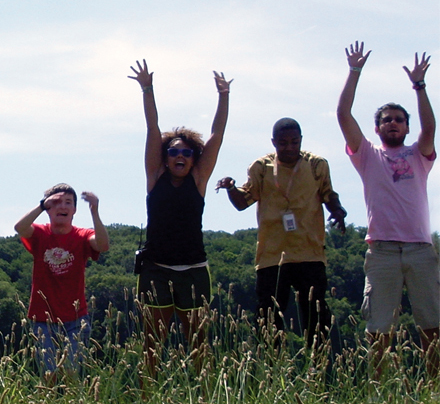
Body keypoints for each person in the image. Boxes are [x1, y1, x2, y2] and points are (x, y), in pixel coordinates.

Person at [336, 41, 439, 377]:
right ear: (377, 128)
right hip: (380, 250)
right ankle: (379, 390)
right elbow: (343, 115)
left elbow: (429, 128)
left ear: (406, 128)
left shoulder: (418, 155)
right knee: (379, 329)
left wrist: (419, 87)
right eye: (386, 120)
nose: (393, 123)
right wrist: (354, 72)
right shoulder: (367, 156)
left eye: (398, 120)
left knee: (432, 325)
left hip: (420, 249)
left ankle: (435, 389)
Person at [129, 59, 231, 375]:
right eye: (174, 151)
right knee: (151, 344)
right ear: (165, 156)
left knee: (198, 343)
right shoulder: (154, 176)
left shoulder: (198, 180)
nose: (180, 156)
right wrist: (147, 89)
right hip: (156, 269)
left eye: (187, 153)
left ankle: (205, 399)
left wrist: (224, 96)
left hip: (193, 270)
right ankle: (148, 400)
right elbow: (152, 128)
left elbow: (217, 133)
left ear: (194, 159)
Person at [216, 118, 346, 350]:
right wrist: (230, 188)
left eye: (294, 142)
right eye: (283, 143)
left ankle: (319, 373)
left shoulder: (316, 165)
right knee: (268, 319)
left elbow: (328, 194)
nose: (289, 147)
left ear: (301, 140)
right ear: (274, 143)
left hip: (310, 254)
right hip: (272, 257)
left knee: (316, 320)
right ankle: (272, 371)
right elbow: (242, 202)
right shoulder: (260, 168)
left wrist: (338, 212)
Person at [14, 184, 109, 382]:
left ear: (74, 210)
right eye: (56, 202)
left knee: (72, 373)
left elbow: (102, 245)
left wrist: (95, 212)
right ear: (49, 209)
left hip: (75, 318)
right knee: (49, 374)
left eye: (68, 203)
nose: (62, 206)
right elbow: (20, 228)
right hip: (43, 318)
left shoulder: (82, 235)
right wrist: (41, 206)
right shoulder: (40, 233)